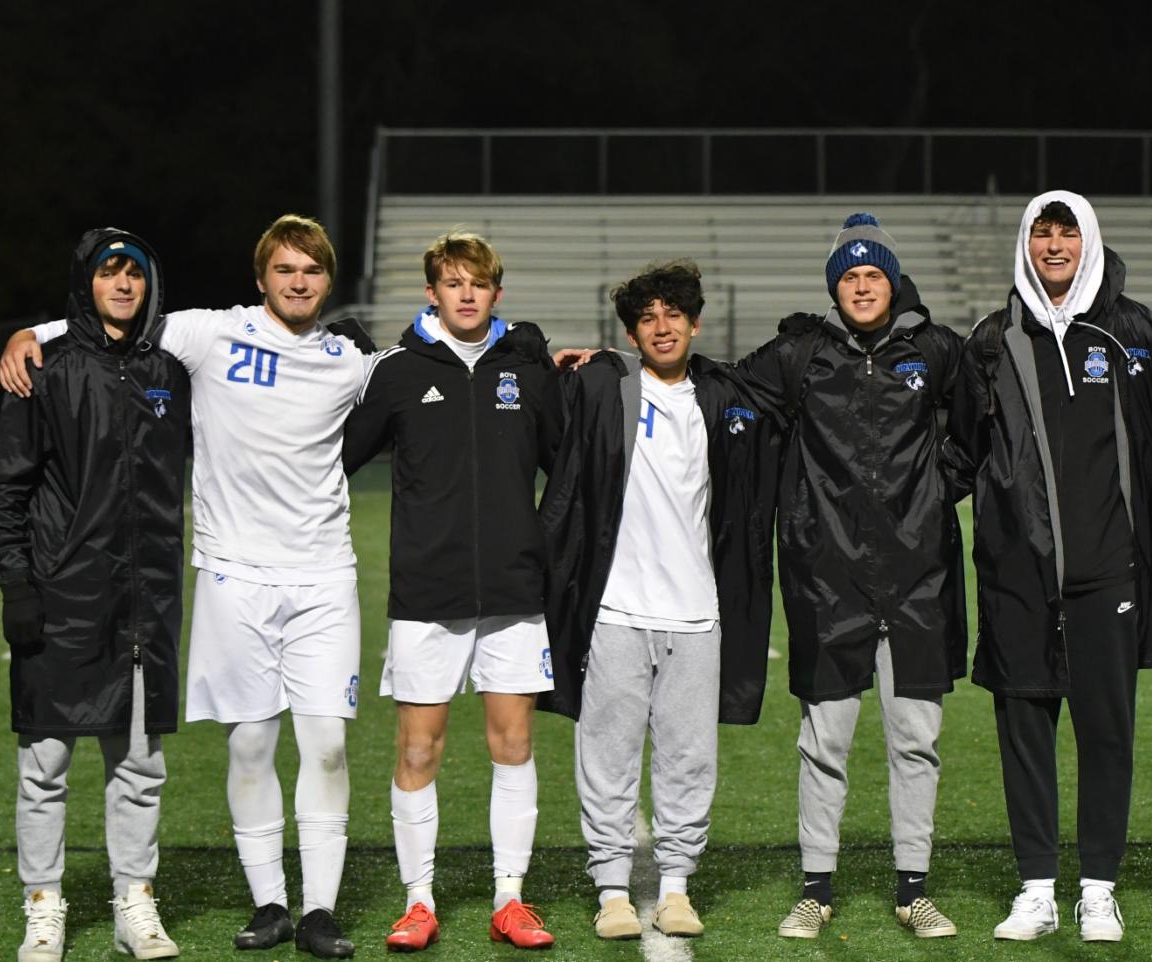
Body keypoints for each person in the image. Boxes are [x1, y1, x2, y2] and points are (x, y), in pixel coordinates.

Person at [0, 214, 374, 959]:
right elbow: (11, 476)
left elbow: (423, 364)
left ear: (328, 281)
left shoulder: (336, 360)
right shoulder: (200, 337)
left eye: (311, 271)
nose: (297, 282)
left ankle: (160, 904)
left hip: (221, 589)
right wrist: (24, 335)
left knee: (162, 761)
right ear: (260, 277)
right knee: (60, 762)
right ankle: (53, 905)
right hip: (164, 582)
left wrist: (528, 347)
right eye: (283, 269)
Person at [726, 213, 966, 939]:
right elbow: (723, 393)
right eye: (850, 277)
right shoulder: (801, 353)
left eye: (873, 276)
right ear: (835, 288)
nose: (862, 287)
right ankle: (814, 889)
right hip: (826, 578)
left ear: (892, 283)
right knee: (824, 742)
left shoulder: (935, 349)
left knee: (914, 739)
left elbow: (979, 430)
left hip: (919, 577)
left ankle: (913, 889)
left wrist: (932, 494)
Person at [945, 190, 1152, 943]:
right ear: (1024, 243)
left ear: (1089, 242)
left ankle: (1098, 889)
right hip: (1017, 573)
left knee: (1106, 732)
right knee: (1025, 733)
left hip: (1108, 572)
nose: (1053, 247)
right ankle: (1037, 888)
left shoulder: (1131, 332)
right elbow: (957, 452)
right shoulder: (990, 340)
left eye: (1065, 234)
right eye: (1041, 234)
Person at [539, 261, 778, 941]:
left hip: (697, 615)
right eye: (647, 317)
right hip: (614, 611)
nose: (662, 326)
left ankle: (675, 886)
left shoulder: (726, 396)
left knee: (688, 758)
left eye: (673, 313)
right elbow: (531, 383)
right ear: (629, 332)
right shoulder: (600, 387)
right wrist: (559, 356)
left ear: (694, 322)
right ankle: (612, 889)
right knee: (605, 752)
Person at [341, 231, 562, 951]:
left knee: (513, 743)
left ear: (497, 293)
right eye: (452, 282)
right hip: (425, 593)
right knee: (417, 753)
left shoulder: (527, 372)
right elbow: (338, 454)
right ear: (431, 291)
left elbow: (565, 465)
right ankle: (417, 901)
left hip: (512, 591)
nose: (465, 294)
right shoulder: (399, 372)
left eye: (478, 283)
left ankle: (510, 897)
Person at [0, 229, 187, 962]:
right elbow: (5, 487)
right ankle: (43, 906)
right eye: (109, 272)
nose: (123, 284)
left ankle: (134, 902)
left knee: (139, 763)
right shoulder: (43, 369)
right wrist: (15, 582)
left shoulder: (169, 367)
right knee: (45, 766)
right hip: (61, 594)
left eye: (134, 273)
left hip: (146, 601)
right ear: (87, 282)